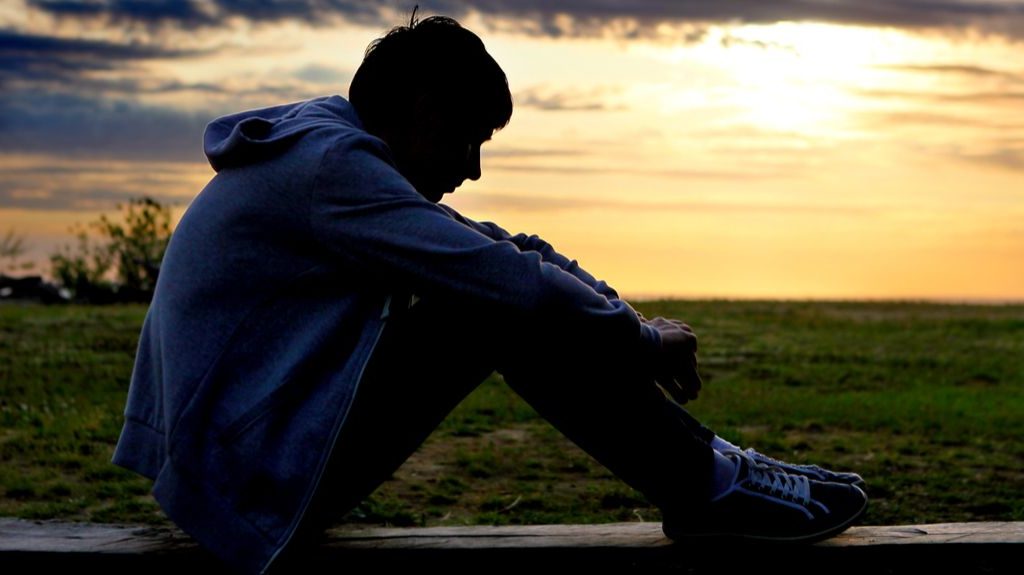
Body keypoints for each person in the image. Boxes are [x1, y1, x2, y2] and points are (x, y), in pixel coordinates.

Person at [111, 14, 868, 575]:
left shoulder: (333, 153)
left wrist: (630, 323)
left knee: (495, 286)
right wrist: (638, 342)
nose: (472, 167)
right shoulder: (330, 171)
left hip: (237, 458)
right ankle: (711, 486)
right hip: (243, 481)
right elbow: (507, 283)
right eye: (467, 139)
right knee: (487, 309)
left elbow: (506, 247)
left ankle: (715, 471)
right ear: (424, 111)